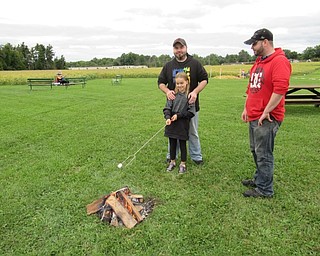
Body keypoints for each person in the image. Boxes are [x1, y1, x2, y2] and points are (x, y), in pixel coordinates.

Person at [241, 28, 292, 198]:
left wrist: (266, 111)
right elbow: (251, 88)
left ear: (265, 42)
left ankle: (265, 190)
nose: (252, 47)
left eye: (254, 43)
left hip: (267, 117)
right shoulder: (258, 62)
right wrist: (246, 108)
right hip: (254, 114)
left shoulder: (279, 61)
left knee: (264, 154)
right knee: (255, 150)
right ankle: (259, 179)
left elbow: (280, 90)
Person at [158, 38, 208, 165]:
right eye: (176, 48)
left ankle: (196, 156)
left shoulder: (195, 63)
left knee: (192, 132)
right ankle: (171, 156)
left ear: (186, 48)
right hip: (174, 108)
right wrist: (168, 92)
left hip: (190, 108)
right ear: (173, 50)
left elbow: (204, 80)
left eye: (181, 47)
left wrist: (195, 92)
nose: (179, 50)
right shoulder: (169, 66)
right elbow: (161, 83)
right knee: (173, 133)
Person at [163, 72, 195, 174]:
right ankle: (172, 162)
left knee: (182, 144)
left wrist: (179, 115)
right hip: (172, 123)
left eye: (182, 83)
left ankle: (183, 164)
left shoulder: (190, 96)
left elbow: (191, 112)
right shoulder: (172, 95)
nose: (179, 85)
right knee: (172, 143)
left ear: (186, 82)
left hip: (182, 124)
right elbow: (167, 108)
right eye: (177, 83)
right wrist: (168, 117)